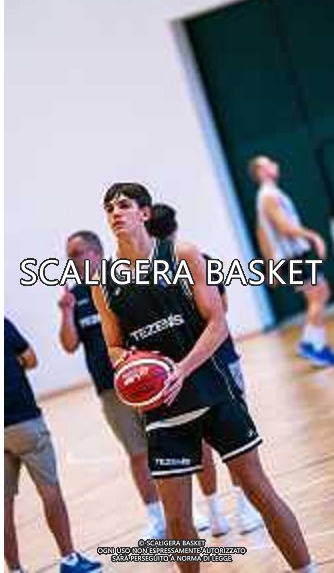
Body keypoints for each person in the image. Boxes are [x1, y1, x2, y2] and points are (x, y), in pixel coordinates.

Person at [92, 183, 318, 573]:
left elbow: (217, 323)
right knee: (178, 520)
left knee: (259, 490)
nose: (115, 213)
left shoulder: (182, 254)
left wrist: (180, 369)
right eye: (109, 208)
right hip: (162, 409)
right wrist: (128, 361)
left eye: (124, 205)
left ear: (144, 213)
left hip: (212, 392)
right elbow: (112, 346)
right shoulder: (103, 282)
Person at [57, 231, 209, 539]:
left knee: (174, 443)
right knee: (138, 454)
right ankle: (156, 518)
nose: (71, 260)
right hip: (110, 389)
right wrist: (66, 311)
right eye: (69, 255)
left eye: (76, 253)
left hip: (148, 380)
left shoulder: (121, 280)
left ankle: (192, 509)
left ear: (96, 252)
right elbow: (69, 345)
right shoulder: (76, 295)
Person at [146, 202, 263, 535]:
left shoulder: (140, 275)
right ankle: (244, 509)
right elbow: (220, 309)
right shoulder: (201, 260)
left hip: (175, 369)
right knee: (238, 443)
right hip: (219, 360)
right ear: (175, 227)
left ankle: (214, 515)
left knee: (200, 445)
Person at [4, 317, 101, 573]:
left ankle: (14, 569)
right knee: (49, 489)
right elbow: (31, 359)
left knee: (2, 504)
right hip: (24, 420)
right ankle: (70, 560)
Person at [250, 155, 334, 367]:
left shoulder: (270, 194)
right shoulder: (268, 196)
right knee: (317, 296)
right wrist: (314, 236)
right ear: (261, 172)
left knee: (321, 293)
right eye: (269, 163)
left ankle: (314, 343)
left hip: (294, 255)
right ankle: (312, 345)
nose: (275, 164)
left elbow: (261, 231)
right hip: (291, 257)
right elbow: (284, 228)